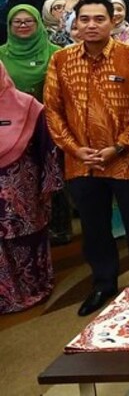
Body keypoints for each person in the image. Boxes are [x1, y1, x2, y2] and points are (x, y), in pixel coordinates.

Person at [44, 0, 129, 316]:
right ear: (76, 24)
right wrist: (74, 148)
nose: (91, 25)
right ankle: (103, 283)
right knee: (94, 228)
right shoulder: (61, 60)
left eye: (99, 19)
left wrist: (119, 145)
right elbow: (53, 110)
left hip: (127, 158)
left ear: (113, 21)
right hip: (82, 162)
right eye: (85, 19)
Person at [0, 61, 62, 313]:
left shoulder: (27, 106)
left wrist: (48, 187)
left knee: (26, 242)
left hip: (24, 194)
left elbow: (47, 149)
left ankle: (34, 288)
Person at [0, 6, 61, 101]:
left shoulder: (56, 52)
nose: (23, 25)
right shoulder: (1, 54)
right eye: (17, 22)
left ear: (38, 23)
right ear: (9, 25)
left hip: (47, 108)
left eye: (29, 21)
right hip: (8, 108)